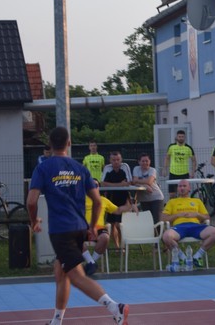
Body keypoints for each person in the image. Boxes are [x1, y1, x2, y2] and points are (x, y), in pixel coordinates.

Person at [26, 127, 129, 325]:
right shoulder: (80, 168)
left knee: (76, 276)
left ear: (50, 144)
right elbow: (98, 201)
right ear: (69, 143)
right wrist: (92, 226)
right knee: (61, 272)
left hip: (61, 230)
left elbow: (31, 201)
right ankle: (57, 321)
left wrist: (33, 221)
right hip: (80, 227)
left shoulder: (43, 168)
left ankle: (115, 307)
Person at [161, 179, 215, 268]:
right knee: (166, 236)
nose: (182, 188)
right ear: (177, 189)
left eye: (184, 186)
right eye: (180, 186)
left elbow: (207, 217)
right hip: (179, 227)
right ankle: (183, 258)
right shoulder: (172, 202)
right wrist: (177, 215)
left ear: (189, 188)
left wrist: (197, 214)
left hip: (196, 226)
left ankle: (198, 256)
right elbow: (163, 218)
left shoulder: (197, 201)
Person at [83, 179, 137, 276]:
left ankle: (91, 263)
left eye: (96, 185)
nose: (93, 187)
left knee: (105, 238)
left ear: (99, 188)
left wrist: (131, 205)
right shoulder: (80, 199)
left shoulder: (103, 200)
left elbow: (118, 210)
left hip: (99, 228)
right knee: (74, 239)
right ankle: (91, 263)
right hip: (83, 228)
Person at [100, 152, 132, 250]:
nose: (116, 162)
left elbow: (129, 182)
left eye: (118, 160)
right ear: (110, 161)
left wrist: (111, 184)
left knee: (119, 224)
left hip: (123, 199)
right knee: (112, 224)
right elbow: (103, 183)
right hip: (111, 199)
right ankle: (117, 247)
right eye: (113, 160)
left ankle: (123, 245)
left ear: (121, 160)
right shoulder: (107, 168)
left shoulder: (125, 167)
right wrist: (119, 184)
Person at [131, 153, 164, 226]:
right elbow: (133, 182)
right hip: (144, 199)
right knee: (148, 220)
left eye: (147, 161)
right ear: (139, 162)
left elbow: (149, 181)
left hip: (156, 197)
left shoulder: (152, 170)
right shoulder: (136, 169)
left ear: (150, 161)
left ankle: (159, 233)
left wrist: (138, 181)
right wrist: (145, 186)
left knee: (156, 220)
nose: (145, 163)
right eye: (143, 161)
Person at [162, 130, 196, 198]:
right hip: (173, 173)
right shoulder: (171, 147)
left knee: (184, 194)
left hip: (184, 174)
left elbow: (194, 161)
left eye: (182, 137)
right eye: (179, 137)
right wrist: (164, 169)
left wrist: (193, 172)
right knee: (172, 194)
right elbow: (167, 158)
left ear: (184, 138)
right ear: (176, 137)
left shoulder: (188, 148)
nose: (181, 138)